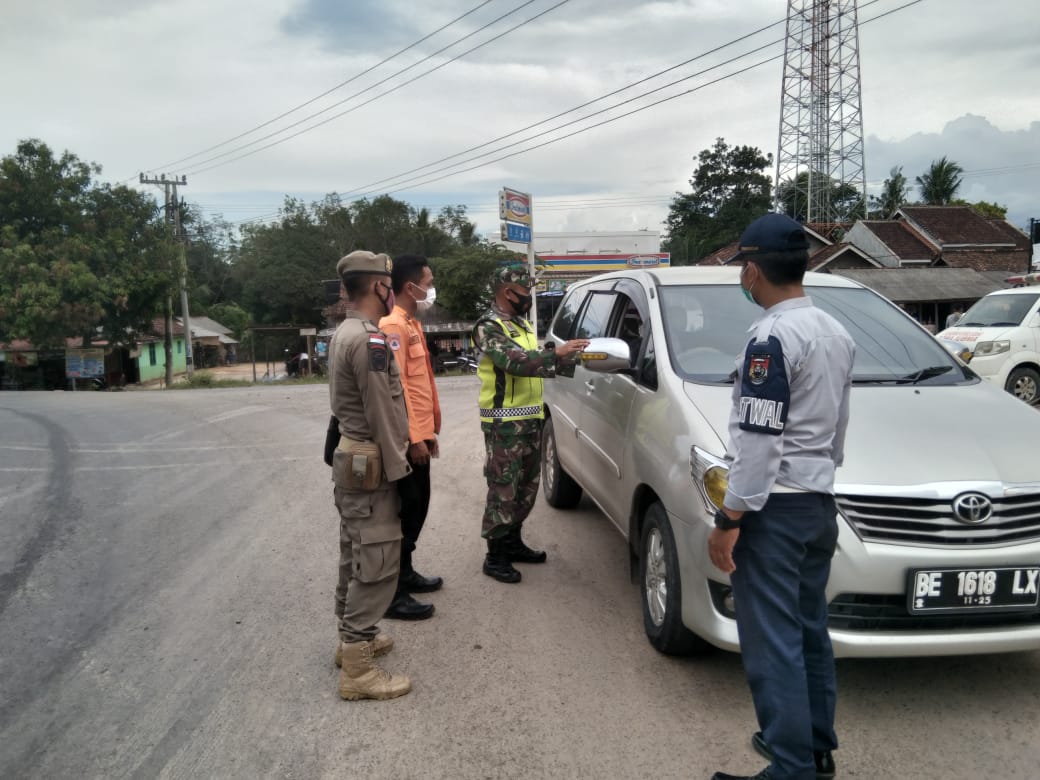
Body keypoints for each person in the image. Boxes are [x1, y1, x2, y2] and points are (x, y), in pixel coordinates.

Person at [709, 213, 855, 780]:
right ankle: (815, 751)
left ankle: (791, 767)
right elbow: (839, 426)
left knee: (772, 645)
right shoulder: (834, 331)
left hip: (774, 510)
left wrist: (730, 516)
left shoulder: (770, 338)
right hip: (819, 504)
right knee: (808, 632)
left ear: (752, 271)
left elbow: (759, 440)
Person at [327, 250, 413, 701]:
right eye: (389, 284)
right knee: (377, 561)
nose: (391, 290)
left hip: (353, 462)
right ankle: (358, 667)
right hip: (371, 466)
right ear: (380, 287)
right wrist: (404, 471)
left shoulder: (345, 332)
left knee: (355, 553)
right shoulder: (369, 340)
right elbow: (383, 411)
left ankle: (350, 641)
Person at [473, 264, 589, 583]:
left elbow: (535, 361)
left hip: (529, 418)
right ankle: (494, 556)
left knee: (526, 488)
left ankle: (512, 542)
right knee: (503, 489)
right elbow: (515, 362)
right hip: (503, 425)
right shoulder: (488, 326)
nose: (530, 297)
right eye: (526, 291)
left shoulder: (521, 325)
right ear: (507, 292)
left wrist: (568, 358)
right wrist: (557, 354)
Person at [378, 254, 443, 620]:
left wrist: (430, 431)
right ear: (410, 287)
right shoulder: (393, 328)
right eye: (428, 282)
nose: (431, 289)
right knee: (407, 512)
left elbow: (422, 386)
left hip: (420, 434)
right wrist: (415, 438)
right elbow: (397, 387)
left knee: (418, 507)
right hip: (407, 440)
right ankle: (393, 593)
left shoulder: (411, 323)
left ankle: (406, 573)